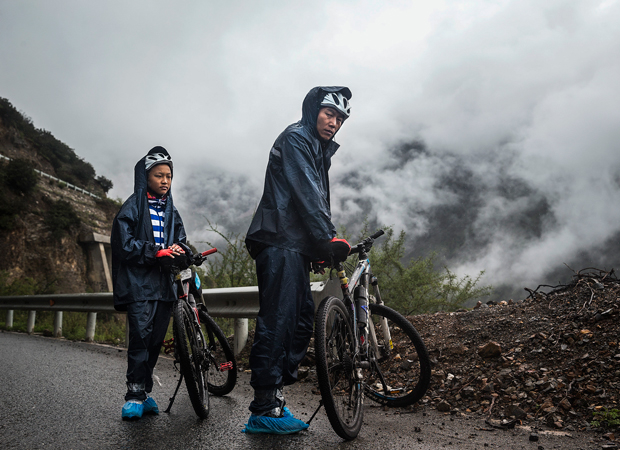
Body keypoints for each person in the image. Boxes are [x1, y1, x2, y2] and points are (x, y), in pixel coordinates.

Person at [243, 86, 352, 434]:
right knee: (279, 321)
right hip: (278, 239)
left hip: (293, 244)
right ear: (313, 110)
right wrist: (326, 238)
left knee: (301, 320)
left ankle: (274, 396)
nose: (334, 122)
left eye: (340, 118)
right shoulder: (297, 138)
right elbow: (307, 192)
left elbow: (311, 197)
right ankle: (263, 408)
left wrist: (317, 249)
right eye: (329, 114)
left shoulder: (316, 147)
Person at [111, 146, 187, 420]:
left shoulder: (170, 210)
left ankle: (144, 394)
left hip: (164, 286)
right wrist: (155, 252)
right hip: (139, 284)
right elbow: (123, 244)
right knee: (140, 339)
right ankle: (133, 395)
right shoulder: (132, 206)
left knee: (155, 341)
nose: (165, 181)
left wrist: (180, 250)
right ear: (146, 177)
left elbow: (181, 239)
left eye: (169, 176)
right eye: (159, 175)